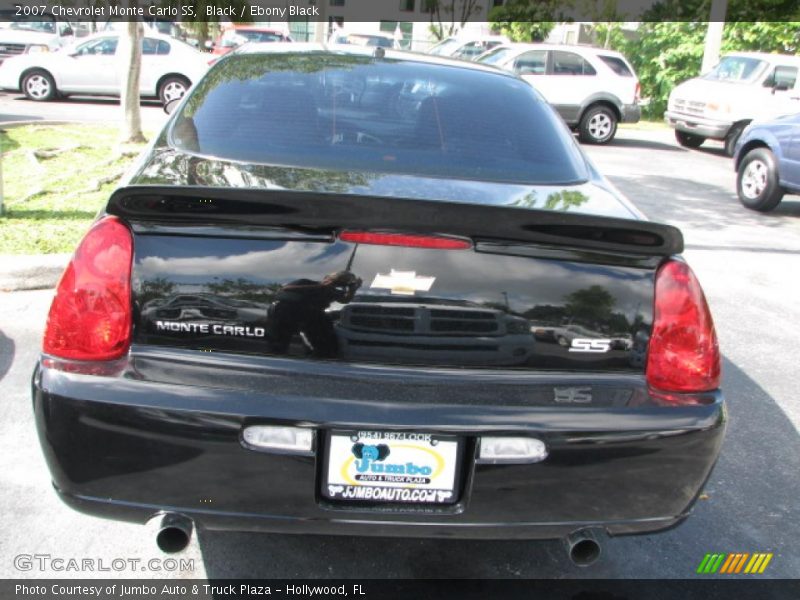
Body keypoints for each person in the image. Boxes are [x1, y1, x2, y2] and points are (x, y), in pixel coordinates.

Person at [266, 271, 362, 358]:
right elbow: (285, 289)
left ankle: (321, 356)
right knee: (277, 345)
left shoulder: (331, 292)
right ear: (326, 278)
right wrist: (321, 287)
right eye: (335, 281)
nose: (335, 286)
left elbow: (344, 299)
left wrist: (352, 290)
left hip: (310, 316)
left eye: (341, 285)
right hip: (284, 312)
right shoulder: (305, 282)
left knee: (325, 340)